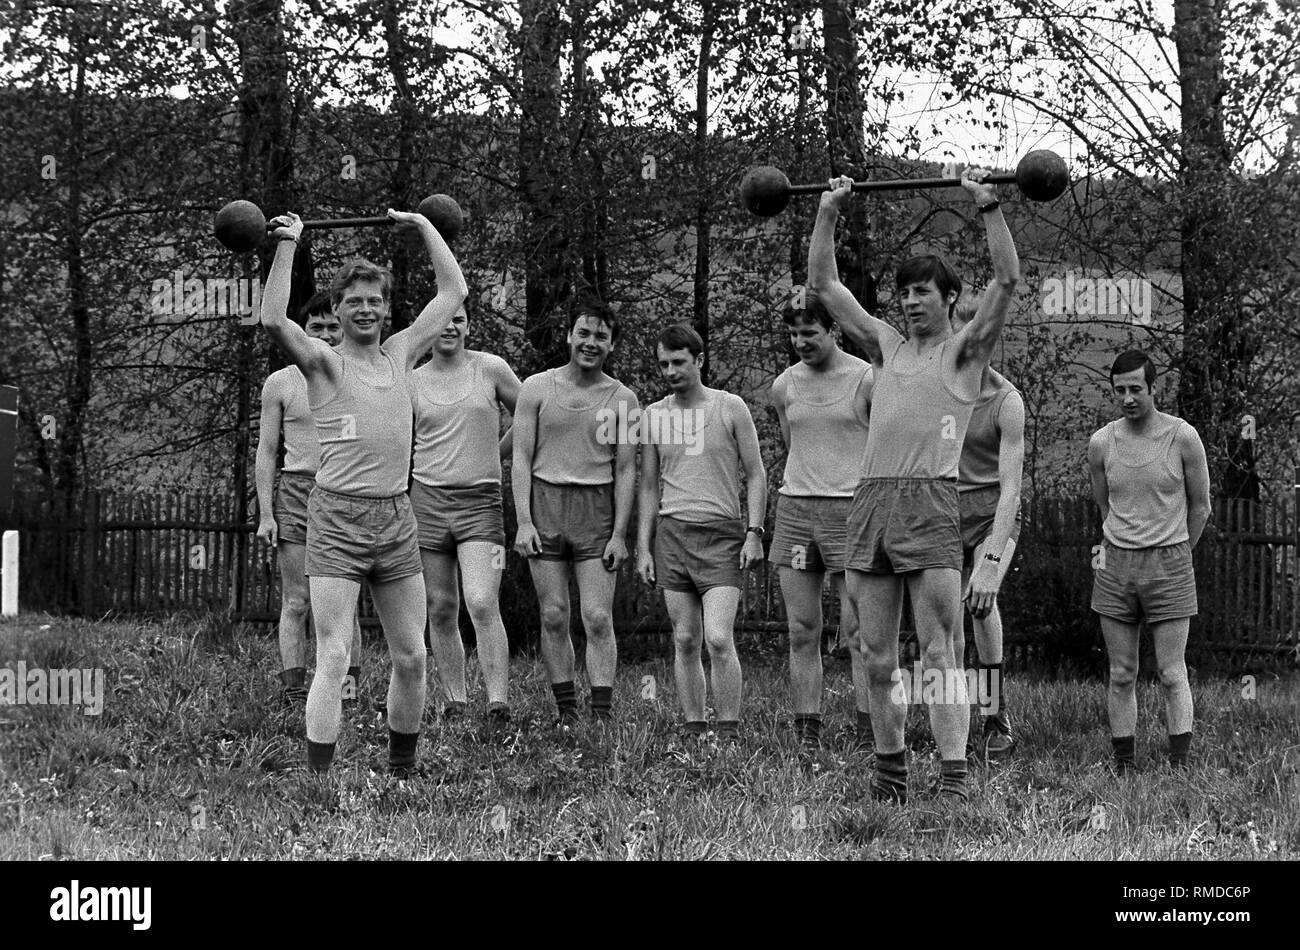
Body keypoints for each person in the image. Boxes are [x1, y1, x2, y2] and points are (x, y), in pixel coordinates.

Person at [808, 168, 1019, 803]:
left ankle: (954, 782)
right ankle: (890, 774)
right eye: (902, 291)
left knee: (939, 653)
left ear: (950, 298)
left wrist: (989, 208)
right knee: (874, 653)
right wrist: (827, 211)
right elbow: (823, 284)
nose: (909, 301)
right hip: (871, 501)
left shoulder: (965, 354)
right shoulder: (884, 348)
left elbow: (1007, 280)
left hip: (930, 501)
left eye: (922, 291)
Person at [260, 208, 467, 776]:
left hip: (396, 518)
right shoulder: (323, 364)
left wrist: (424, 227)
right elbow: (274, 318)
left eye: (376, 300)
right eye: (355, 301)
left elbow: (453, 290)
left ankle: (401, 772)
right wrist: (288, 244)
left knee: (413, 654)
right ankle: (318, 778)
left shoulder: (401, 354)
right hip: (337, 519)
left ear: (387, 307)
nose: (367, 308)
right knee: (335, 653)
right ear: (339, 309)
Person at [511, 298, 638, 726]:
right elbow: (521, 458)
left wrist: (620, 534)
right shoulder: (536, 388)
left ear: (612, 345)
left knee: (598, 617)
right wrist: (525, 521)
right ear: (568, 336)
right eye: (583, 333)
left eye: (601, 336)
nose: (590, 342)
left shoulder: (624, 398)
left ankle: (601, 713)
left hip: (596, 508)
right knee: (553, 614)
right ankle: (566, 710)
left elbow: (626, 468)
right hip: (545, 505)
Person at [636, 325, 766, 742]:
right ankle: (695, 727)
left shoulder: (731, 408)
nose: (671, 371)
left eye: (679, 362)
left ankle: (728, 730)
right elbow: (648, 485)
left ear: (700, 360)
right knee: (686, 638)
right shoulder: (654, 415)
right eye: (664, 364)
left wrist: (754, 532)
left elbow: (757, 474)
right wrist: (643, 547)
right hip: (672, 535)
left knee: (718, 636)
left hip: (722, 535)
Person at [1088, 350, 1210, 773]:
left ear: (1154, 389)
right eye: (1119, 390)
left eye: (1136, 389)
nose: (1127, 398)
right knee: (1121, 672)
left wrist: (1176, 552)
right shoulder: (1102, 442)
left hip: (1171, 564)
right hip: (1116, 566)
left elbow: (1201, 506)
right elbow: (1105, 504)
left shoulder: (1182, 438)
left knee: (1172, 673)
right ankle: (1124, 764)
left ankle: (1180, 766)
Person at [409, 304, 521, 733]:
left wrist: (499, 452)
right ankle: (455, 698)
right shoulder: (413, 380)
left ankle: (498, 702)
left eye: (459, 319)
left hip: (481, 505)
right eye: (442, 319)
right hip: (428, 503)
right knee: (439, 607)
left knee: (480, 600)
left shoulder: (490, 369)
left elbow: (530, 412)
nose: (450, 326)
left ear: (468, 325)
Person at [769, 298, 872, 753]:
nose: (801, 342)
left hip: (851, 512)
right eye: (794, 334)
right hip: (796, 513)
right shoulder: (784, 385)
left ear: (834, 330)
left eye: (810, 332)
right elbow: (793, 444)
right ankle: (807, 732)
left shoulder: (866, 378)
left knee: (860, 631)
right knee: (801, 629)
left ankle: (871, 730)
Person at [256, 294, 363, 712]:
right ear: (300, 331)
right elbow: (266, 451)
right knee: (297, 599)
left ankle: (346, 692)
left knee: (344, 603)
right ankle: (294, 689)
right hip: (297, 492)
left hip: (346, 492)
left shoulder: (355, 375)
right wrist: (267, 513)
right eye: (313, 327)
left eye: (331, 326)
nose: (323, 335)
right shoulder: (281, 382)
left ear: (343, 327)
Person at [950, 296, 1025, 759]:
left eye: (982, 332)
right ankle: (953, 718)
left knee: (979, 604)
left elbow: (1012, 489)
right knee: (941, 620)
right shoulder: (936, 391)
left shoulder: (1005, 400)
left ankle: (995, 717)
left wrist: (993, 560)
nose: (973, 341)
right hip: (940, 511)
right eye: (964, 332)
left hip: (992, 513)